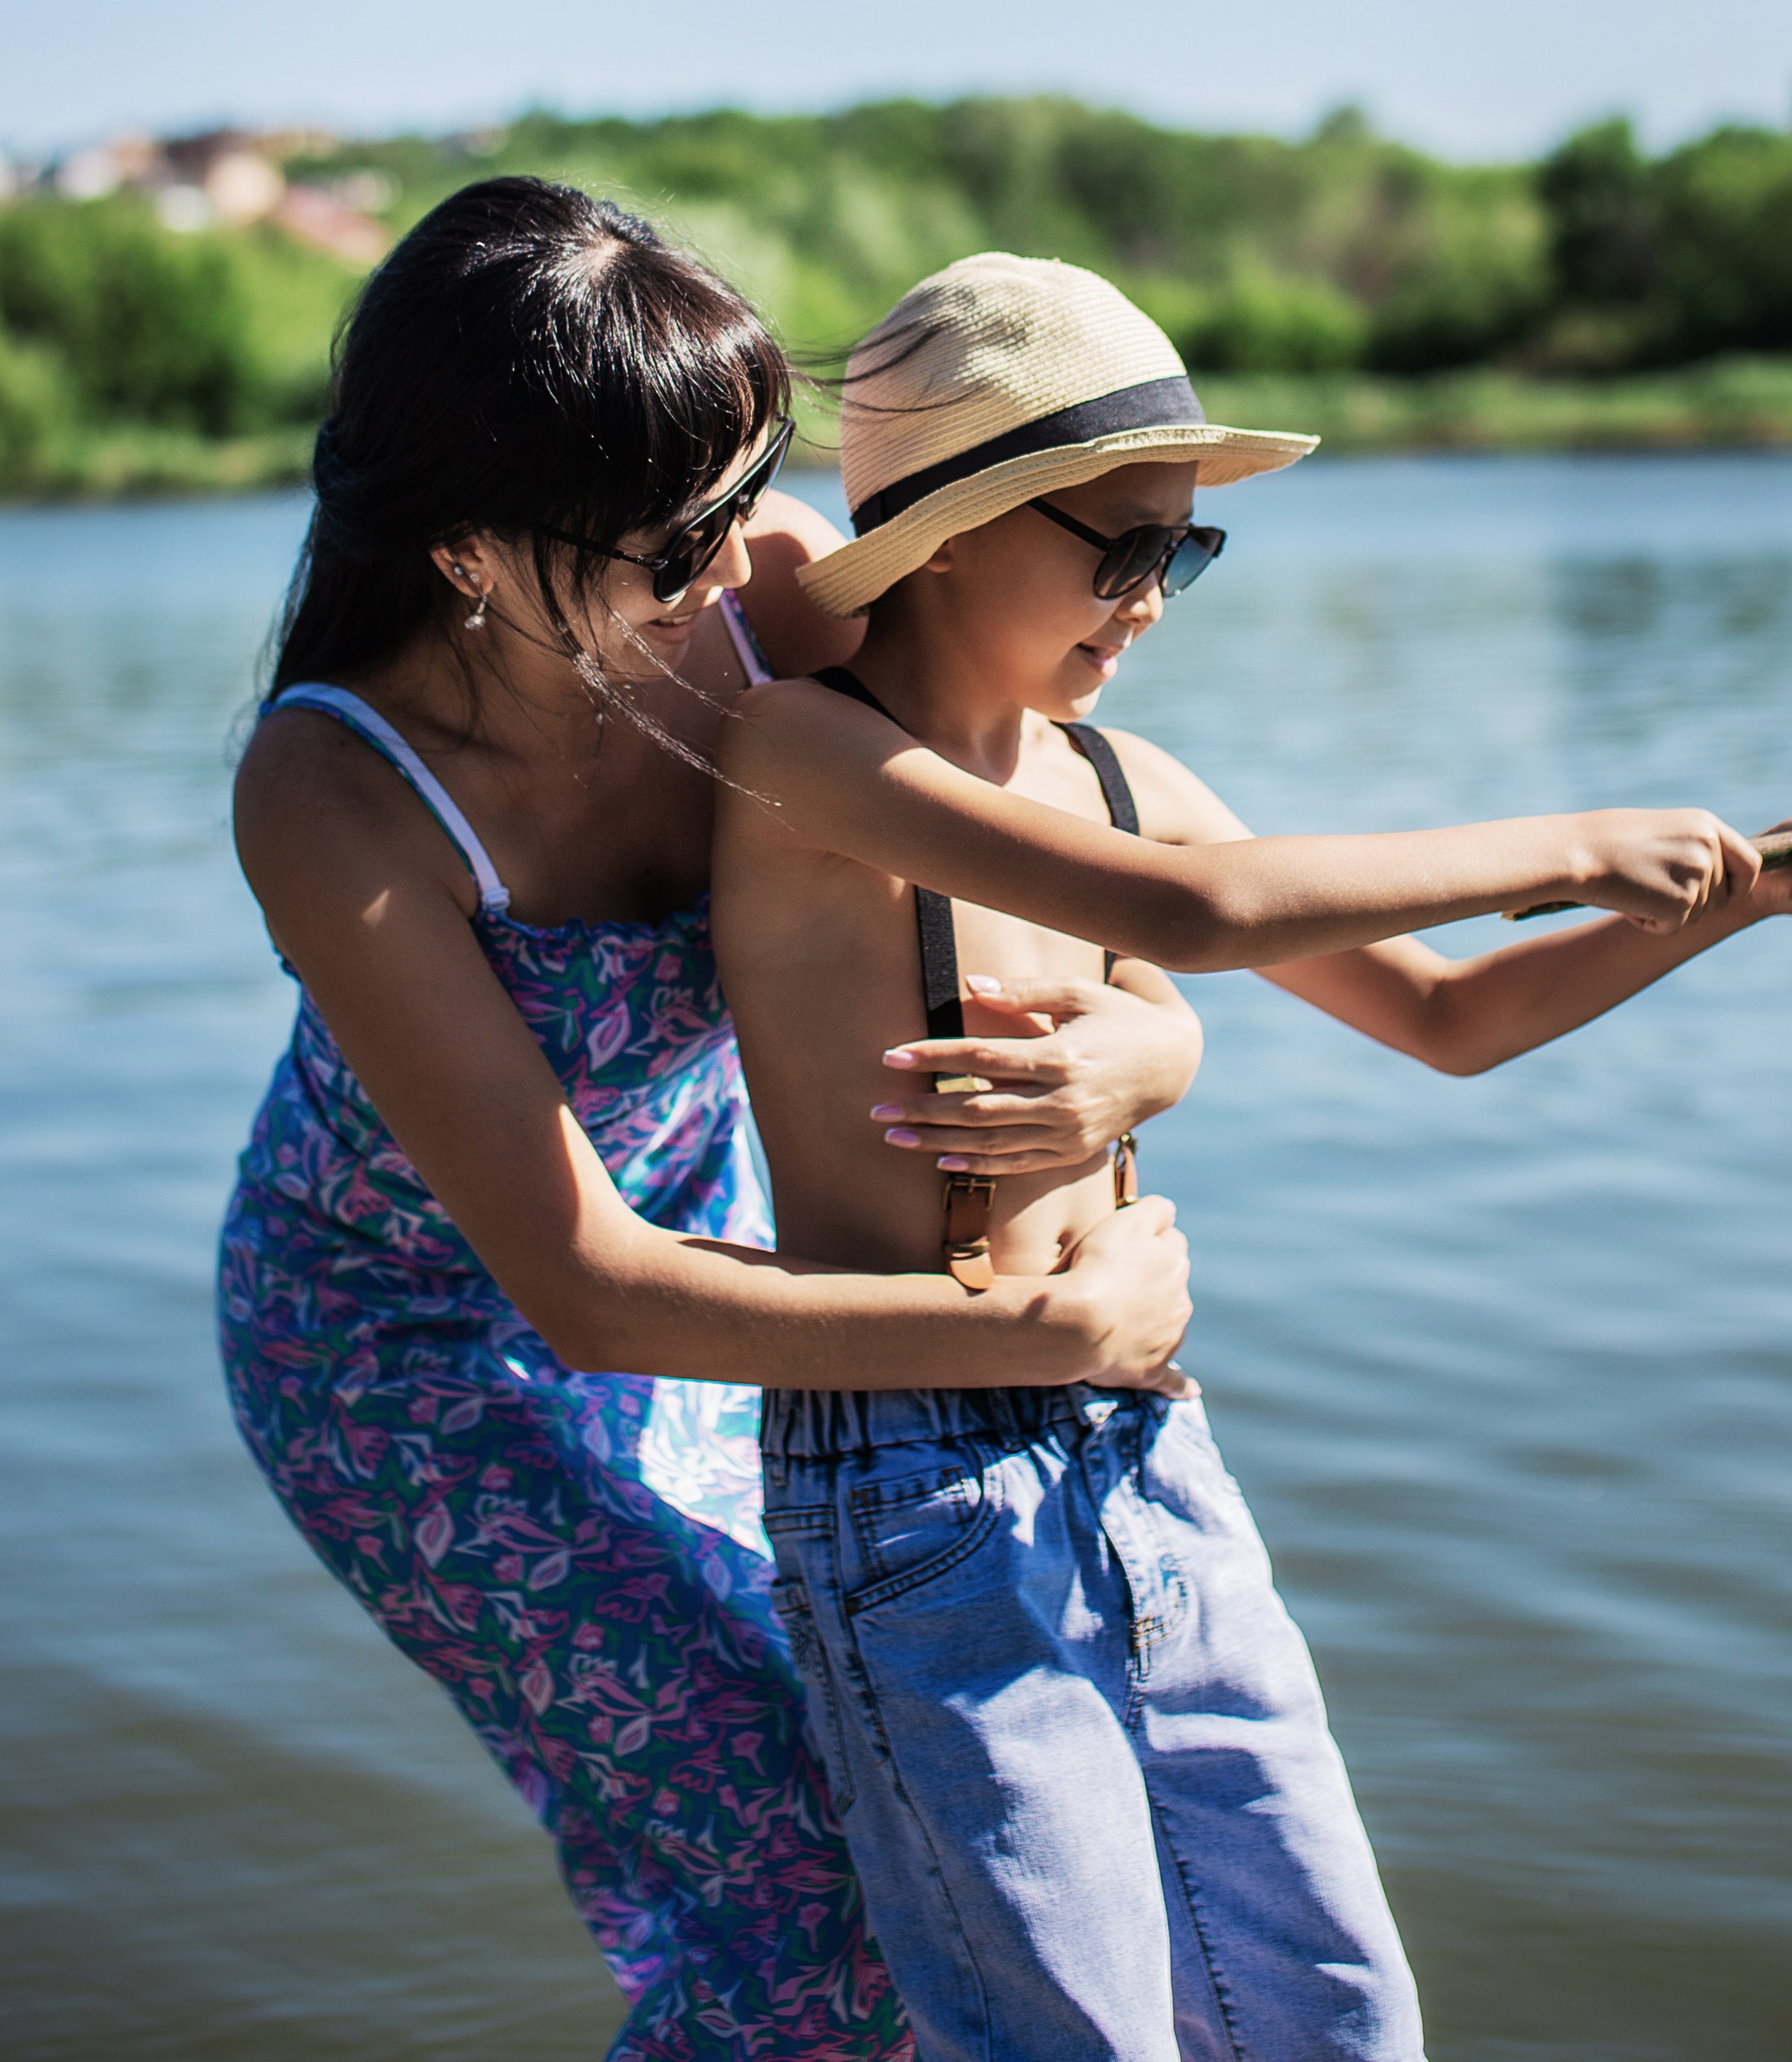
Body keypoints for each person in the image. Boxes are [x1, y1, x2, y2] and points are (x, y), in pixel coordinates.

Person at [712, 251, 1792, 2062]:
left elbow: (1447, 1021)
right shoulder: (808, 754)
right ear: (955, 530)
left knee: (1331, 2016)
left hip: (1145, 1447)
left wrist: (1742, 899)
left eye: (1186, 553)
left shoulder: (1123, 772)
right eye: (1120, 547)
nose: (1152, 598)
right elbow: (1202, 914)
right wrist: (1581, 834)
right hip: (912, 1492)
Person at [219, 180, 1207, 2062]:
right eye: (681, 523)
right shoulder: (333, 789)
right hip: (419, 1364)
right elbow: (580, 1288)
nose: (755, 542)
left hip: (728, 1286)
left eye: (750, 473)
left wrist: (1141, 1060)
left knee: (936, 1829)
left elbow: (1074, 864)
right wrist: (1043, 1338)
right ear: (469, 553)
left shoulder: (756, 606)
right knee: (809, 1890)